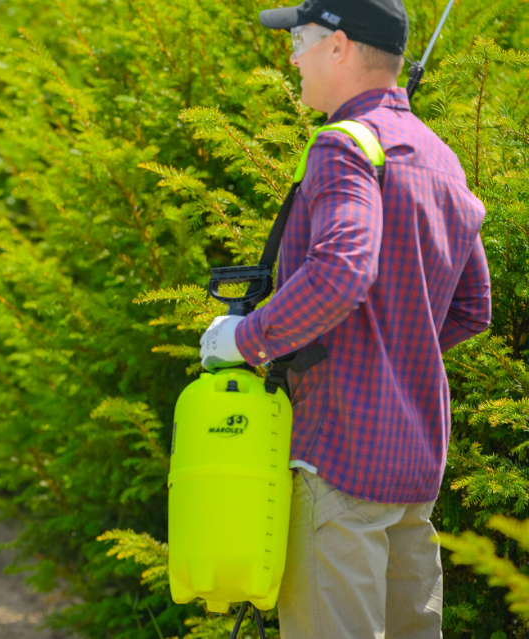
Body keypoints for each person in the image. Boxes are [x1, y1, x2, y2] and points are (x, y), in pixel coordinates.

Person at [198, 0, 492, 637]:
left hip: (337, 462)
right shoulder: (441, 157)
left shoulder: (343, 146)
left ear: (339, 45)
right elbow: (472, 308)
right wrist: (390, 349)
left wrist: (242, 340)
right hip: (414, 470)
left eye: (300, 39)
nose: (293, 57)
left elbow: (341, 271)